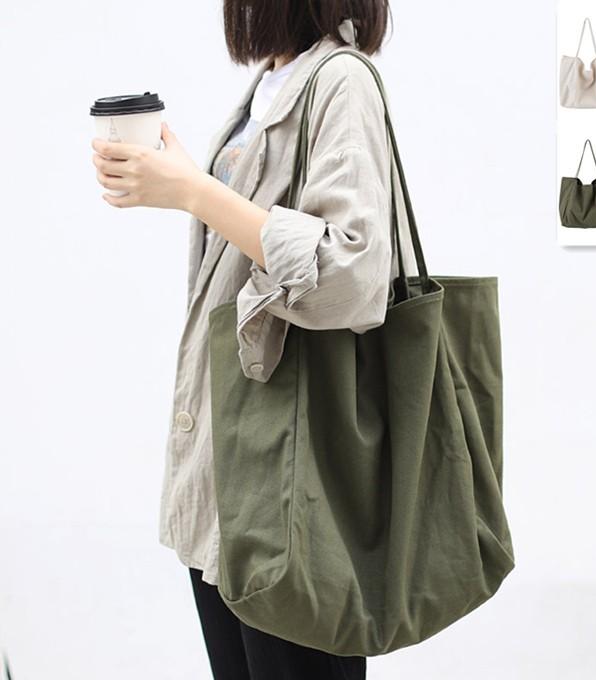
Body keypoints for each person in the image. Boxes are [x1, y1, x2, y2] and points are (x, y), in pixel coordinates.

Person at [91, 1, 405, 677]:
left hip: (292, 485)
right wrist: (183, 183)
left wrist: (195, 193)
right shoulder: (273, 81)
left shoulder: (340, 78)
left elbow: (352, 271)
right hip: (234, 469)